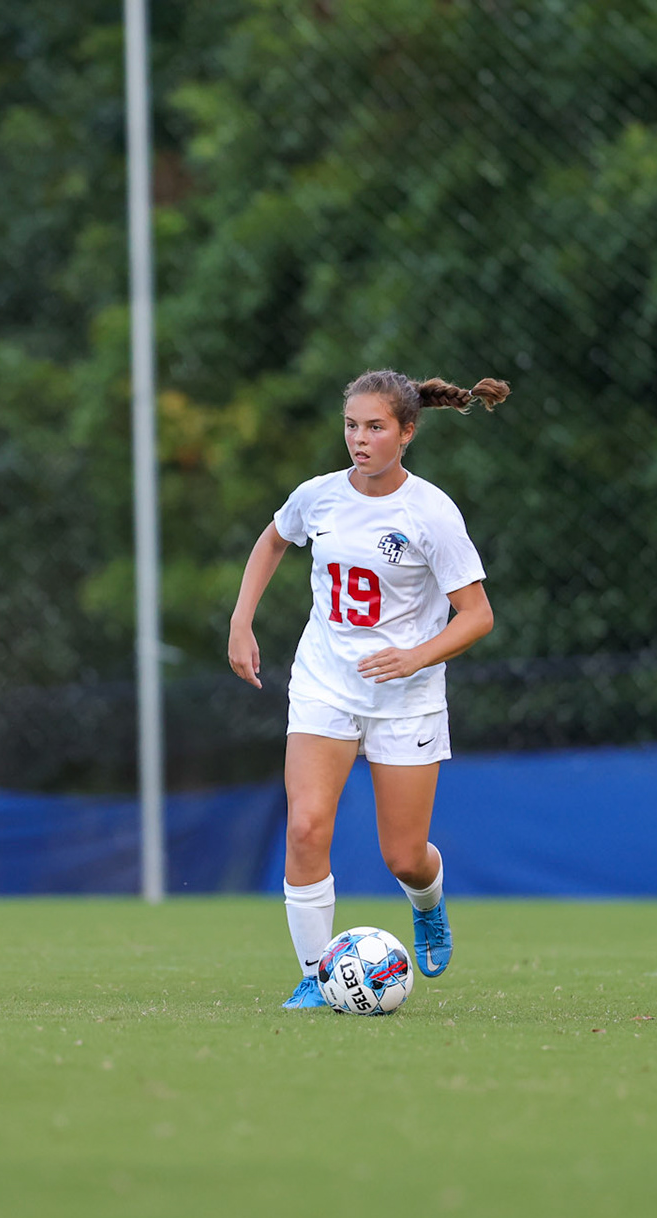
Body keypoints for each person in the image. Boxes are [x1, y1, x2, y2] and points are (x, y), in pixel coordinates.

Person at [226, 369, 508, 1008]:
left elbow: (478, 615)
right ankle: (315, 975)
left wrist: (414, 658)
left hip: (406, 697)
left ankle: (428, 904)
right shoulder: (319, 496)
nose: (359, 439)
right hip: (324, 682)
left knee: (403, 855)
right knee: (305, 829)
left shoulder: (430, 512)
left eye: (376, 427)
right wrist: (242, 620)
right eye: (352, 426)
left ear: (407, 432)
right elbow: (273, 540)